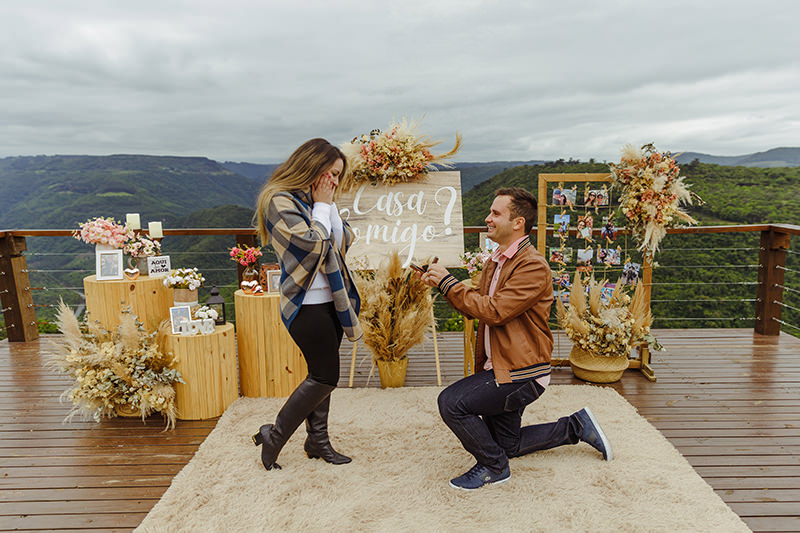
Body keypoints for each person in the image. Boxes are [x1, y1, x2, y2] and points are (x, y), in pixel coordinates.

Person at [420, 187, 612, 491]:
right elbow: (479, 310)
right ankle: (575, 426)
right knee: (507, 444)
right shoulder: (496, 261)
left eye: (496, 213)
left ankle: (493, 468)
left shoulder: (532, 265)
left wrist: (448, 282)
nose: (488, 218)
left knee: (451, 402)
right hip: (501, 367)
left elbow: (495, 312)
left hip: (521, 374)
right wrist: (443, 285)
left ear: (518, 222)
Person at [251, 138, 362, 470]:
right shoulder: (279, 201)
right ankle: (274, 435)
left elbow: (339, 243)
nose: (334, 182)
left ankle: (317, 441)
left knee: (319, 374)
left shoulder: (319, 203)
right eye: (330, 173)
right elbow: (313, 246)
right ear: (310, 167)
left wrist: (326, 205)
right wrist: (323, 206)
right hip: (305, 304)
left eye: (339, 176)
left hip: (333, 301)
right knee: (326, 377)